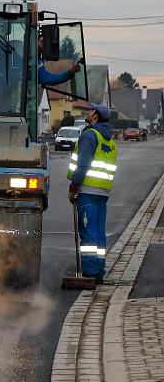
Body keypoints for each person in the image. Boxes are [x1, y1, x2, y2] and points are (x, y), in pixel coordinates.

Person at [67, 103, 118, 284]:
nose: (87, 112)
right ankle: (98, 272)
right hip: (103, 192)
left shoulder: (90, 135)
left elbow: (83, 164)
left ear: (95, 115)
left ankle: (89, 273)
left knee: (88, 232)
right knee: (98, 232)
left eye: (89, 110)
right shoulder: (109, 140)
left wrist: (74, 186)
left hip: (87, 190)